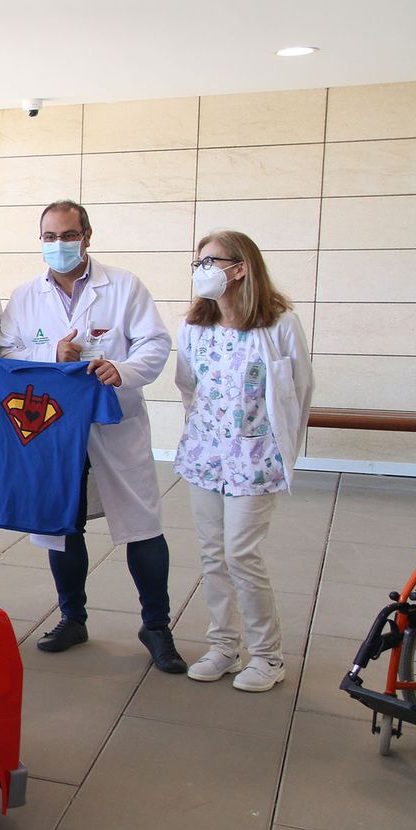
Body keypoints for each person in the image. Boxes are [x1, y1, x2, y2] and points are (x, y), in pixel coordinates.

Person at [0, 200, 185, 674]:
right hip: (53, 426)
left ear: (87, 236)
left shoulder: (123, 286)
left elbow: (155, 343)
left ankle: (156, 626)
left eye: (68, 235)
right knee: (62, 522)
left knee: (141, 522)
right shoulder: (25, 296)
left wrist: (122, 368)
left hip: (114, 419)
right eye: (50, 237)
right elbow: (9, 352)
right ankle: (72, 618)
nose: (59, 244)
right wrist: (51, 355)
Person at [175, 231, 313, 691]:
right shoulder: (194, 326)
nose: (202, 271)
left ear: (240, 268)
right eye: (198, 263)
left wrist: (282, 446)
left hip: (254, 457)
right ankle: (224, 646)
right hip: (205, 453)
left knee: (240, 553)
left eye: (210, 262)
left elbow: (299, 389)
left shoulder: (279, 324)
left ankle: (268, 656)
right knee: (213, 554)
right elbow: (188, 385)